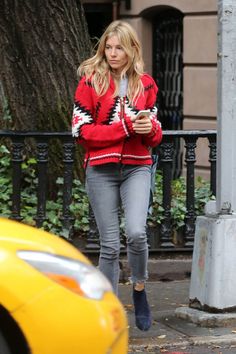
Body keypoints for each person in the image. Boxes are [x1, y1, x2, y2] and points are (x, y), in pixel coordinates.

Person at [72, 20, 162, 331]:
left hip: (137, 166)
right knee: (109, 246)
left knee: (136, 232)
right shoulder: (90, 82)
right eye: (108, 47)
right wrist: (122, 127)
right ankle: (108, 314)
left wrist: (148, 128)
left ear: (131, 49)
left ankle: (139, 289)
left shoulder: (146, 84)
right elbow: (81, 131)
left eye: (119, 48)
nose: (112, 53)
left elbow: (155, 135)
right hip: (100, 170)